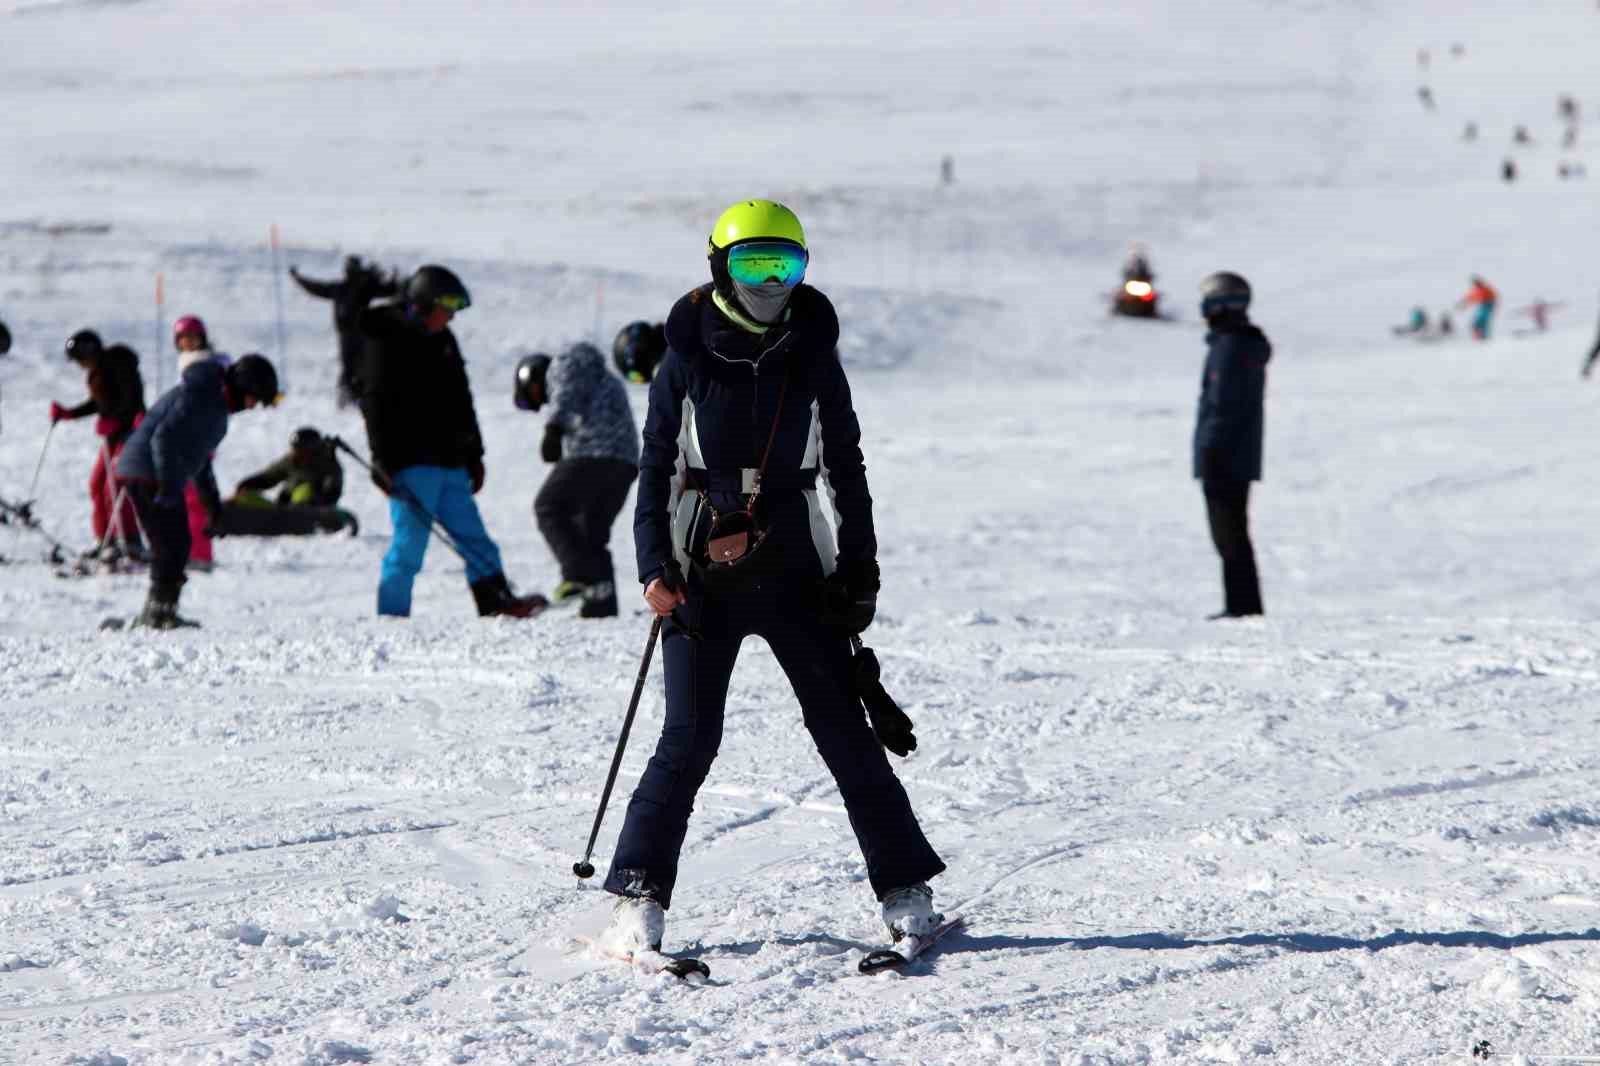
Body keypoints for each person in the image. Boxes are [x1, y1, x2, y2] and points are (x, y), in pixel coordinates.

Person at [598, 199, 945, 957]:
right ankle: (637, 897)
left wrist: (860, 568)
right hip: (700, 565)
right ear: (720, 265)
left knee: (844, 732)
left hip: (795, 558)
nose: (770, 280)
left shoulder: (814, 353)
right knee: (688, 739)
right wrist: (652, 566)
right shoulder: (684, 356)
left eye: (785, 264)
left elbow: (847, 468)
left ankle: (906, 890)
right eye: (755, 263)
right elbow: (655, 466)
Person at [359, 264, 546, 619]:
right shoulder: (386, 338)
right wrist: (381, 460)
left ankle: (497, 604)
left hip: (450, 462)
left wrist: (474, 453)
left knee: (475, 540)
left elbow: (462, 399)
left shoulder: (443, 340)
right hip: (410, 464)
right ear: (423, 304)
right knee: (409, 547)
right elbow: (374, 401)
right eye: (446, 308)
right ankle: (391, 617)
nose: (451, 317)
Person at [114, 354, 281, 628]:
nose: (251, 407)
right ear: (243, 386)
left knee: (178, 543)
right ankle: (157, 613)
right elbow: (163, 437)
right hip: (145, 471)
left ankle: (164, 610)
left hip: (155, 473)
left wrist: (213, 507)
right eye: (254, 398)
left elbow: (200, 461)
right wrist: (167, 487)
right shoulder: (201, 397)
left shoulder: (213, 405)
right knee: (168, 544)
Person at [515, 345, 639, 618]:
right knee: (591, 533)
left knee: (549, 506)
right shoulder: (593, 375)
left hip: (596, 452)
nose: (543, 402)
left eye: (534, 396)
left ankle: (577, 577)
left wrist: (553, 429)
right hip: (624, 463)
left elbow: (565, 391)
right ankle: (600, 607)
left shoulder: (565, 364)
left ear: (533, 376)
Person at [1192, 271, 1269, 620]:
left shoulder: (1231, 347)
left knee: (1229, 534)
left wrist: (1210, 452)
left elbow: (1221, 406)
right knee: (1232, 533)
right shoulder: (1236, 344)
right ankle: (1242, 604)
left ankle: (1242, 607)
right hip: (1236, 453)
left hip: (1226, 455)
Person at [49, 329, 147, 557]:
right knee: (97, 485)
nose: (79, 365)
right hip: (113, 436)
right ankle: (106, 542)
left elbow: (132, 399)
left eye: (79, 359)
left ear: (89, 352)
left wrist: (116, 420)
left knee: (115, 489)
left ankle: (130, 542)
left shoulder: (119, 364)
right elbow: (99, 403)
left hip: (131, 434)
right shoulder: (98, 371)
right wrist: (69, 414)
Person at [290, 255, 400, 407]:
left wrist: (394, 279)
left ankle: (357, 396)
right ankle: (348, 398)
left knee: (359, 365)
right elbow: (316, 288)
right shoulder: (344, 288)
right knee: (351, 367)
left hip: (359, 333)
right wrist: (299, 278)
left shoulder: (363, 288)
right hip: (348, 334)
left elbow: (389, 290)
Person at [218, 427, 357, 536]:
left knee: (304, 489)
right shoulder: (291, 461)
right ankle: (220, 513)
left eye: (300, 450)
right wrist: (246, 485)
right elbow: (268, 478)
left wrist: (319, 507)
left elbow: (332, 494)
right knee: (245, 496)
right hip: (281, 510)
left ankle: (296, 515)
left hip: (311, 512)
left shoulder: (328, 465)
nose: (295, 453)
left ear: (312, 450)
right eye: (294, 449)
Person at [171, 316, 226, 570]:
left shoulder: (203, 365)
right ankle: (192, 550)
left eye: (193, 338)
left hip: (198, 437)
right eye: (183, 339)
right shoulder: (191, 363)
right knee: (188, 495)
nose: (189, 344)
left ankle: (201, 554)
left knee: (194, 497)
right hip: (191, 436)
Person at [1457, 276, 1498, 340]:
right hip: (1483, 306)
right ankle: (1480, 337)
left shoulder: (1485, 289)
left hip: (1487, 306)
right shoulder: (1478, 290)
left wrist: (1490, 303)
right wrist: (1463, 303)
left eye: (1476, 283)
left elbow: (1493, 297)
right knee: (1478, 323)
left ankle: (1482, 337)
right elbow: (1471, 297)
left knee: (1480, 323)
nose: (1475, 285)